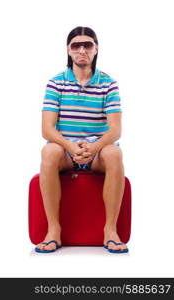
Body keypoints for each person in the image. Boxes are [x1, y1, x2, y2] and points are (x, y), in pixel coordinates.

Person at [35, 26, 128, 254]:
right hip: (67, 151)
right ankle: (53, 231)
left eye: (88, 45)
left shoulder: (109, 83)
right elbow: (47, 129)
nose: (82, 50)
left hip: (97, 152)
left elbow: (115, 130)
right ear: (69, 50)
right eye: (77, 45)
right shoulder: (56, 83)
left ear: (96, 49)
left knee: (115, 153)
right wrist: (70, 146)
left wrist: (94, 147)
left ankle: (110, 231)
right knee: (49, 152)